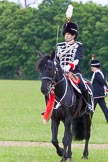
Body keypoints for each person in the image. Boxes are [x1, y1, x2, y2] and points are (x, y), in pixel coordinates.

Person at [55, 21, 94, 113]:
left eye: (69, 34)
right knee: (50, 85)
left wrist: (69, 66)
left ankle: (88, 105)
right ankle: (50, 107)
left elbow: (78, 58)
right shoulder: (59, 46)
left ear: (74, 35)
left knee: (82, 85)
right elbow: (56, 59)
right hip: (61, 72)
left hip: (73, 72)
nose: (66, 36)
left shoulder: (78, 45)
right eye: (65, 34)